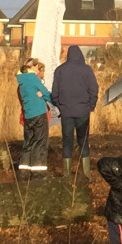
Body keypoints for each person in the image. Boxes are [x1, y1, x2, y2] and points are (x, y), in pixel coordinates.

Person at [51, 45, 100, 181]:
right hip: (83, 111)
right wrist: (91, 106)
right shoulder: (87, 70)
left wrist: (59, 105)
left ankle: (67, 174)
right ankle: (86, 174)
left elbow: (54, 93)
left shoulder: (59, 70)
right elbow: (94, 89)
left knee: (67, 141)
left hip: (66, 111)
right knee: (83, 141)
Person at [16, 58, 52, 175]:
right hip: (39, 113)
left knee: (28, 143)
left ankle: (24, 171)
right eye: (37, 67)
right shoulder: (33, 79)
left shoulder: (21, 81)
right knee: (40, 143)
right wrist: (56, 101)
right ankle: (38, 173)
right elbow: (45, 93)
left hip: (28, 115)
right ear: (33, 67)